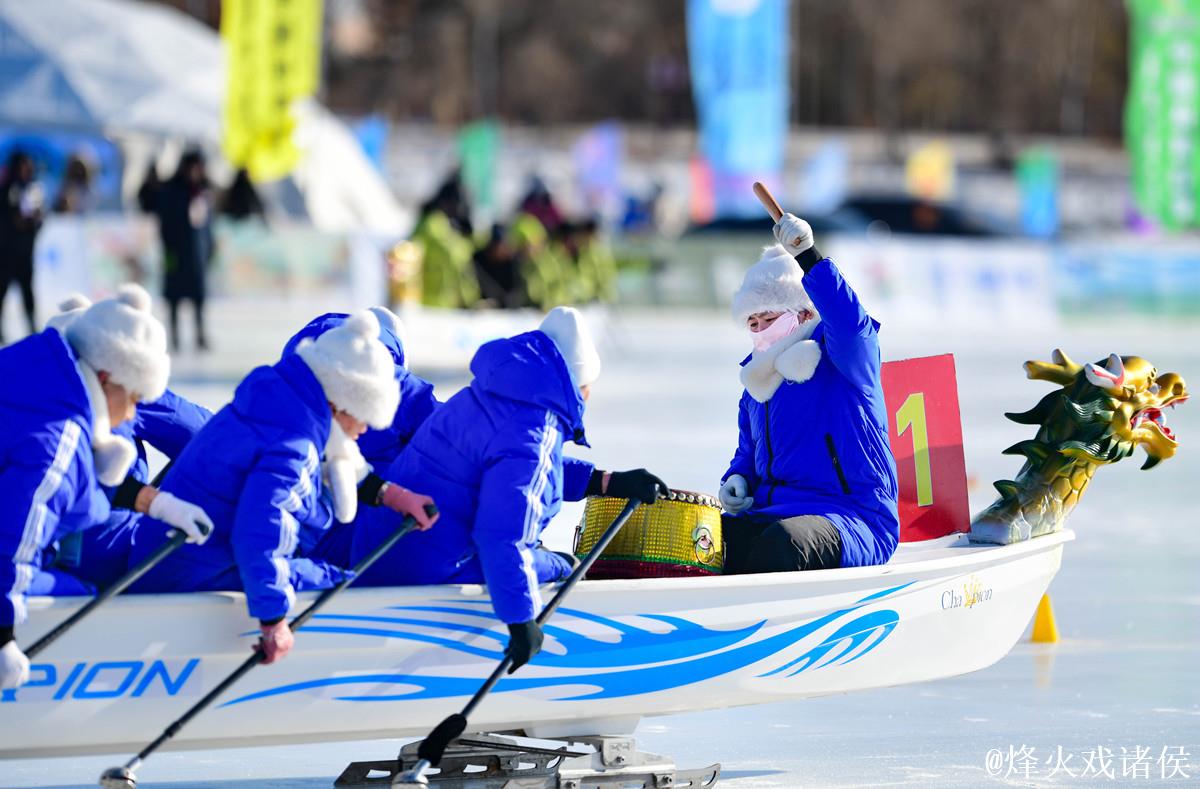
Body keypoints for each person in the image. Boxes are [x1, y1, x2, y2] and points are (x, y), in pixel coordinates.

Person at [350, 306, 669, 672]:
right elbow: (501, 538)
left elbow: (510, 469)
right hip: (421, 570)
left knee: (533, 557)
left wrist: (605, 481)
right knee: (562, 564)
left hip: (374, 549)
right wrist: (520, 624)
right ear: (579, 385)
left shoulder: (482, 396)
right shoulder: (536, 433)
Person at [123, 311, 438, 665]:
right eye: (365, 415)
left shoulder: (284, 403)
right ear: (341, 402)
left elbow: (339, 459)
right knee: (333, 580)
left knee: (326, 571)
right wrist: (273, 622)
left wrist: (393, 495)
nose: (366, 429)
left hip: (176, 555)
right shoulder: (295, 445)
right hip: (192, 574)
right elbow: (259, 534)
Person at [0, 285, 213, 690]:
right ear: (106, 377)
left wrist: (158, 503)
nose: (134, 412)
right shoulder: (58, 438)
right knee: (83, 592)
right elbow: (15, 536)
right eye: (134, 398)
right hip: (29, 567)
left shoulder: (35, 370)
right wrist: (5, 638)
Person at [718, 214, 899, 574]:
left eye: (767, 319)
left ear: (801, 314)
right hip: (771, 513)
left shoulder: (842, 359)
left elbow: (851, 324)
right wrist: (738, 478)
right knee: (702, 538)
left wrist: (808, 257)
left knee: (782, 544)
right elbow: (749, 453)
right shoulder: (757, 384)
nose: (759, 331)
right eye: (751, 324)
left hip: (853, 516)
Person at [43, 295, 215, 590]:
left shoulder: (33, 382)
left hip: (57, 544)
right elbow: (204, 436)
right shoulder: (113, 387)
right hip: (104, 545)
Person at [280, 307, 440, 564]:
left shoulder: (289, 385)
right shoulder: (395, 384)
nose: (364, 428)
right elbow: (458, 443)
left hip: (302, 541)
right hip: (367, 548)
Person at [154, 149, 214, 352]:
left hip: (197, 254)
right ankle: (175, 337)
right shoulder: (172, 192)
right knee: (174, 298)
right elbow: (165, 224)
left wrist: (209, 248)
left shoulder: (202, 192)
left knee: (199, 297)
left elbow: (207, 225)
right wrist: (169, 252)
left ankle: (200, 335)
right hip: (176, 253)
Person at [0, 151, 44, 344]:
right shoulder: (5, 189)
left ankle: (33, 329)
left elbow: (39, 219)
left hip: (25, 254)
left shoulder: (33, 190)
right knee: (2, 293)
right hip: (6, 254)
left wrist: (33, 222)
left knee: (28, 294)